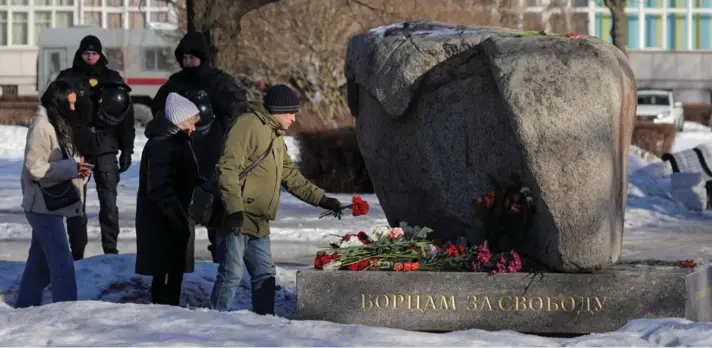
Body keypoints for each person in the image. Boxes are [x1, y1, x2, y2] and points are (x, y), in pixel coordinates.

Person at [209, 84, 343, 314]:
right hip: (237, 217)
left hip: (259, 219)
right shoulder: (247, 125)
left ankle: (264, 323)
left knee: (265, 275)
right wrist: (234, 210)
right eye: (290, 112)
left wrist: (323, 199)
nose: (293, 118)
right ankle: (216, 322)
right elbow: (227, 168)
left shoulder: (275, 134)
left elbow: (289, 175)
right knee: (231, 274)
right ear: (277, 110)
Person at [151, 31, 248, 263]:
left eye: (192, 58)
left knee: (218, 216)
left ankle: (221, 264)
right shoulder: (176, 82)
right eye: (184, 59)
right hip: (184, 156)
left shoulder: (219, 80)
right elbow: (158, 109)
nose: (188, 63)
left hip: (215, 153)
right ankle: (183, 265)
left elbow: (240, 107)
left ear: (202, 58)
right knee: (185, 218)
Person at [55, 35, 135, 259]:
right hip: (78, 148)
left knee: (108, 202)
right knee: (77, 202)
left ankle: (110, 250)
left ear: (100, 55)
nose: (90, 57)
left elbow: (125, 118)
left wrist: (127, 149)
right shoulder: (67, 79)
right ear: (80, 54)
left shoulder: (112, 78)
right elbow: (53, 113)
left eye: (94, 53)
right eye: (86, 53)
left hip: (106, 146)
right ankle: (77, 252)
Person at [16, 80, 92, 308]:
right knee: (62, 260)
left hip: (51, 203)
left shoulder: (59, 124)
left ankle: (25, 306)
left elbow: (63, 161)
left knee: (38, 264)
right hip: (41, 205)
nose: (72, 108)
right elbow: (34, 168)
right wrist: (71, 168)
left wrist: (79, 169)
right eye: (68, 104)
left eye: (73, 104)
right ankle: (67, 309)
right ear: (56, 101)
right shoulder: (42, 126)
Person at [135, 93, 201, 306]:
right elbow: (159, 187)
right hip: (163, 221)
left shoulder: (175, 140)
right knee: (165, 276)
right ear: (178, 120)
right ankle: (164, 316)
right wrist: (178, 219)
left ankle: (168, 311)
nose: (193, 127)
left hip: (170, 218)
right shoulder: (163, 143)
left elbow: (180, 173)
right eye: (191, 122)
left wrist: (200, 183)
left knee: (171, 274)